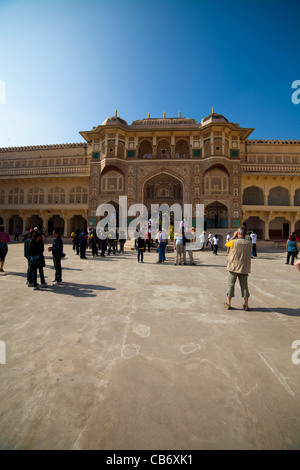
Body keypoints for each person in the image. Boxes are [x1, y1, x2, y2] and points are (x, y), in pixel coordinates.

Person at [224, 226, 252, 311]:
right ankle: (246, 304)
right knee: (244, 286)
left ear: (238, 233)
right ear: (246, 234)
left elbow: (226, 244)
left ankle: (228, 303)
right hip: (244, 267)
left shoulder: (233, 242)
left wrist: (233, 236)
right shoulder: (249, 243)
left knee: (231, 285)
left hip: (233, 267)